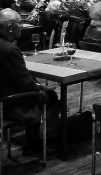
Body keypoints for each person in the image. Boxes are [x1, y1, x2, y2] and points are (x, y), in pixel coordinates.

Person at [0, 9, 59, 155]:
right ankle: (48, 143)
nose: (22, 26)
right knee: (50, 96)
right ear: (9, 27)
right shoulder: (10, 49)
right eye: (20, 24)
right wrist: (40, 88)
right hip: (8, 103)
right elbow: (25, 83)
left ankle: (32, 141)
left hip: (4, 95)